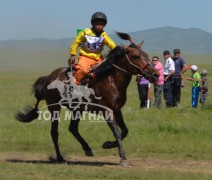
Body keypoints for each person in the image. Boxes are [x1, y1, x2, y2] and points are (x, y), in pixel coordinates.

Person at [68, 12, 117, 84]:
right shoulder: (85, 32)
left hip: (98, 59)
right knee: (84, 70)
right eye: (97, 24)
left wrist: (119, 51)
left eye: (102, 24)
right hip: (85, 57)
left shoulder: (104, 36)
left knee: (105, 72)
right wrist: (73, 54)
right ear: (93, 24)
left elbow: (112, 45)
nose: (99, 26)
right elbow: (76, 42)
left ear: (104, 25)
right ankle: (75, 85)